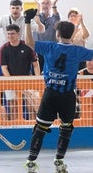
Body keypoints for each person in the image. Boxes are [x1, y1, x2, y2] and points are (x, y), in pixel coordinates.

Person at [24, 9, 93, 172]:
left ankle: (31, 161)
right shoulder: (78, 50)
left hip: (51, 94)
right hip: (68, 95)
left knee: (40, 128)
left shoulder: (49, 47)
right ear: (71, 34)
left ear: (57, 34)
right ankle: (59, 160)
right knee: (67, 127)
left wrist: (27, 22)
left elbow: (29, 43)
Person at [0, 24, 40, 120]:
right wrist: (12, 82)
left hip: (27, 80)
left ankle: (32, 126)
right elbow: (4, 68)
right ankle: (15, 127)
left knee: (31, 106)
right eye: (8, 34)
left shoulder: (27, 46)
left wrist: (37, 79)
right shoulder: (4, 49)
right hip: (10, 82)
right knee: (13, 106)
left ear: (18, 34)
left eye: (12, 34)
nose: (10, 36)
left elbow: (35, 64)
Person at [33, 0, 61, 73]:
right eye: (43, 3)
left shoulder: (54, 17)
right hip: (38, 50)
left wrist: (54, 5)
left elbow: (57, 21)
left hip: (51, 50)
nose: (45, 5)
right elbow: (36, 20)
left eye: (48, 3)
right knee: (38, 74)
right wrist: (38, 6)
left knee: (52, 73)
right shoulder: (37, 15)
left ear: (51, 5)